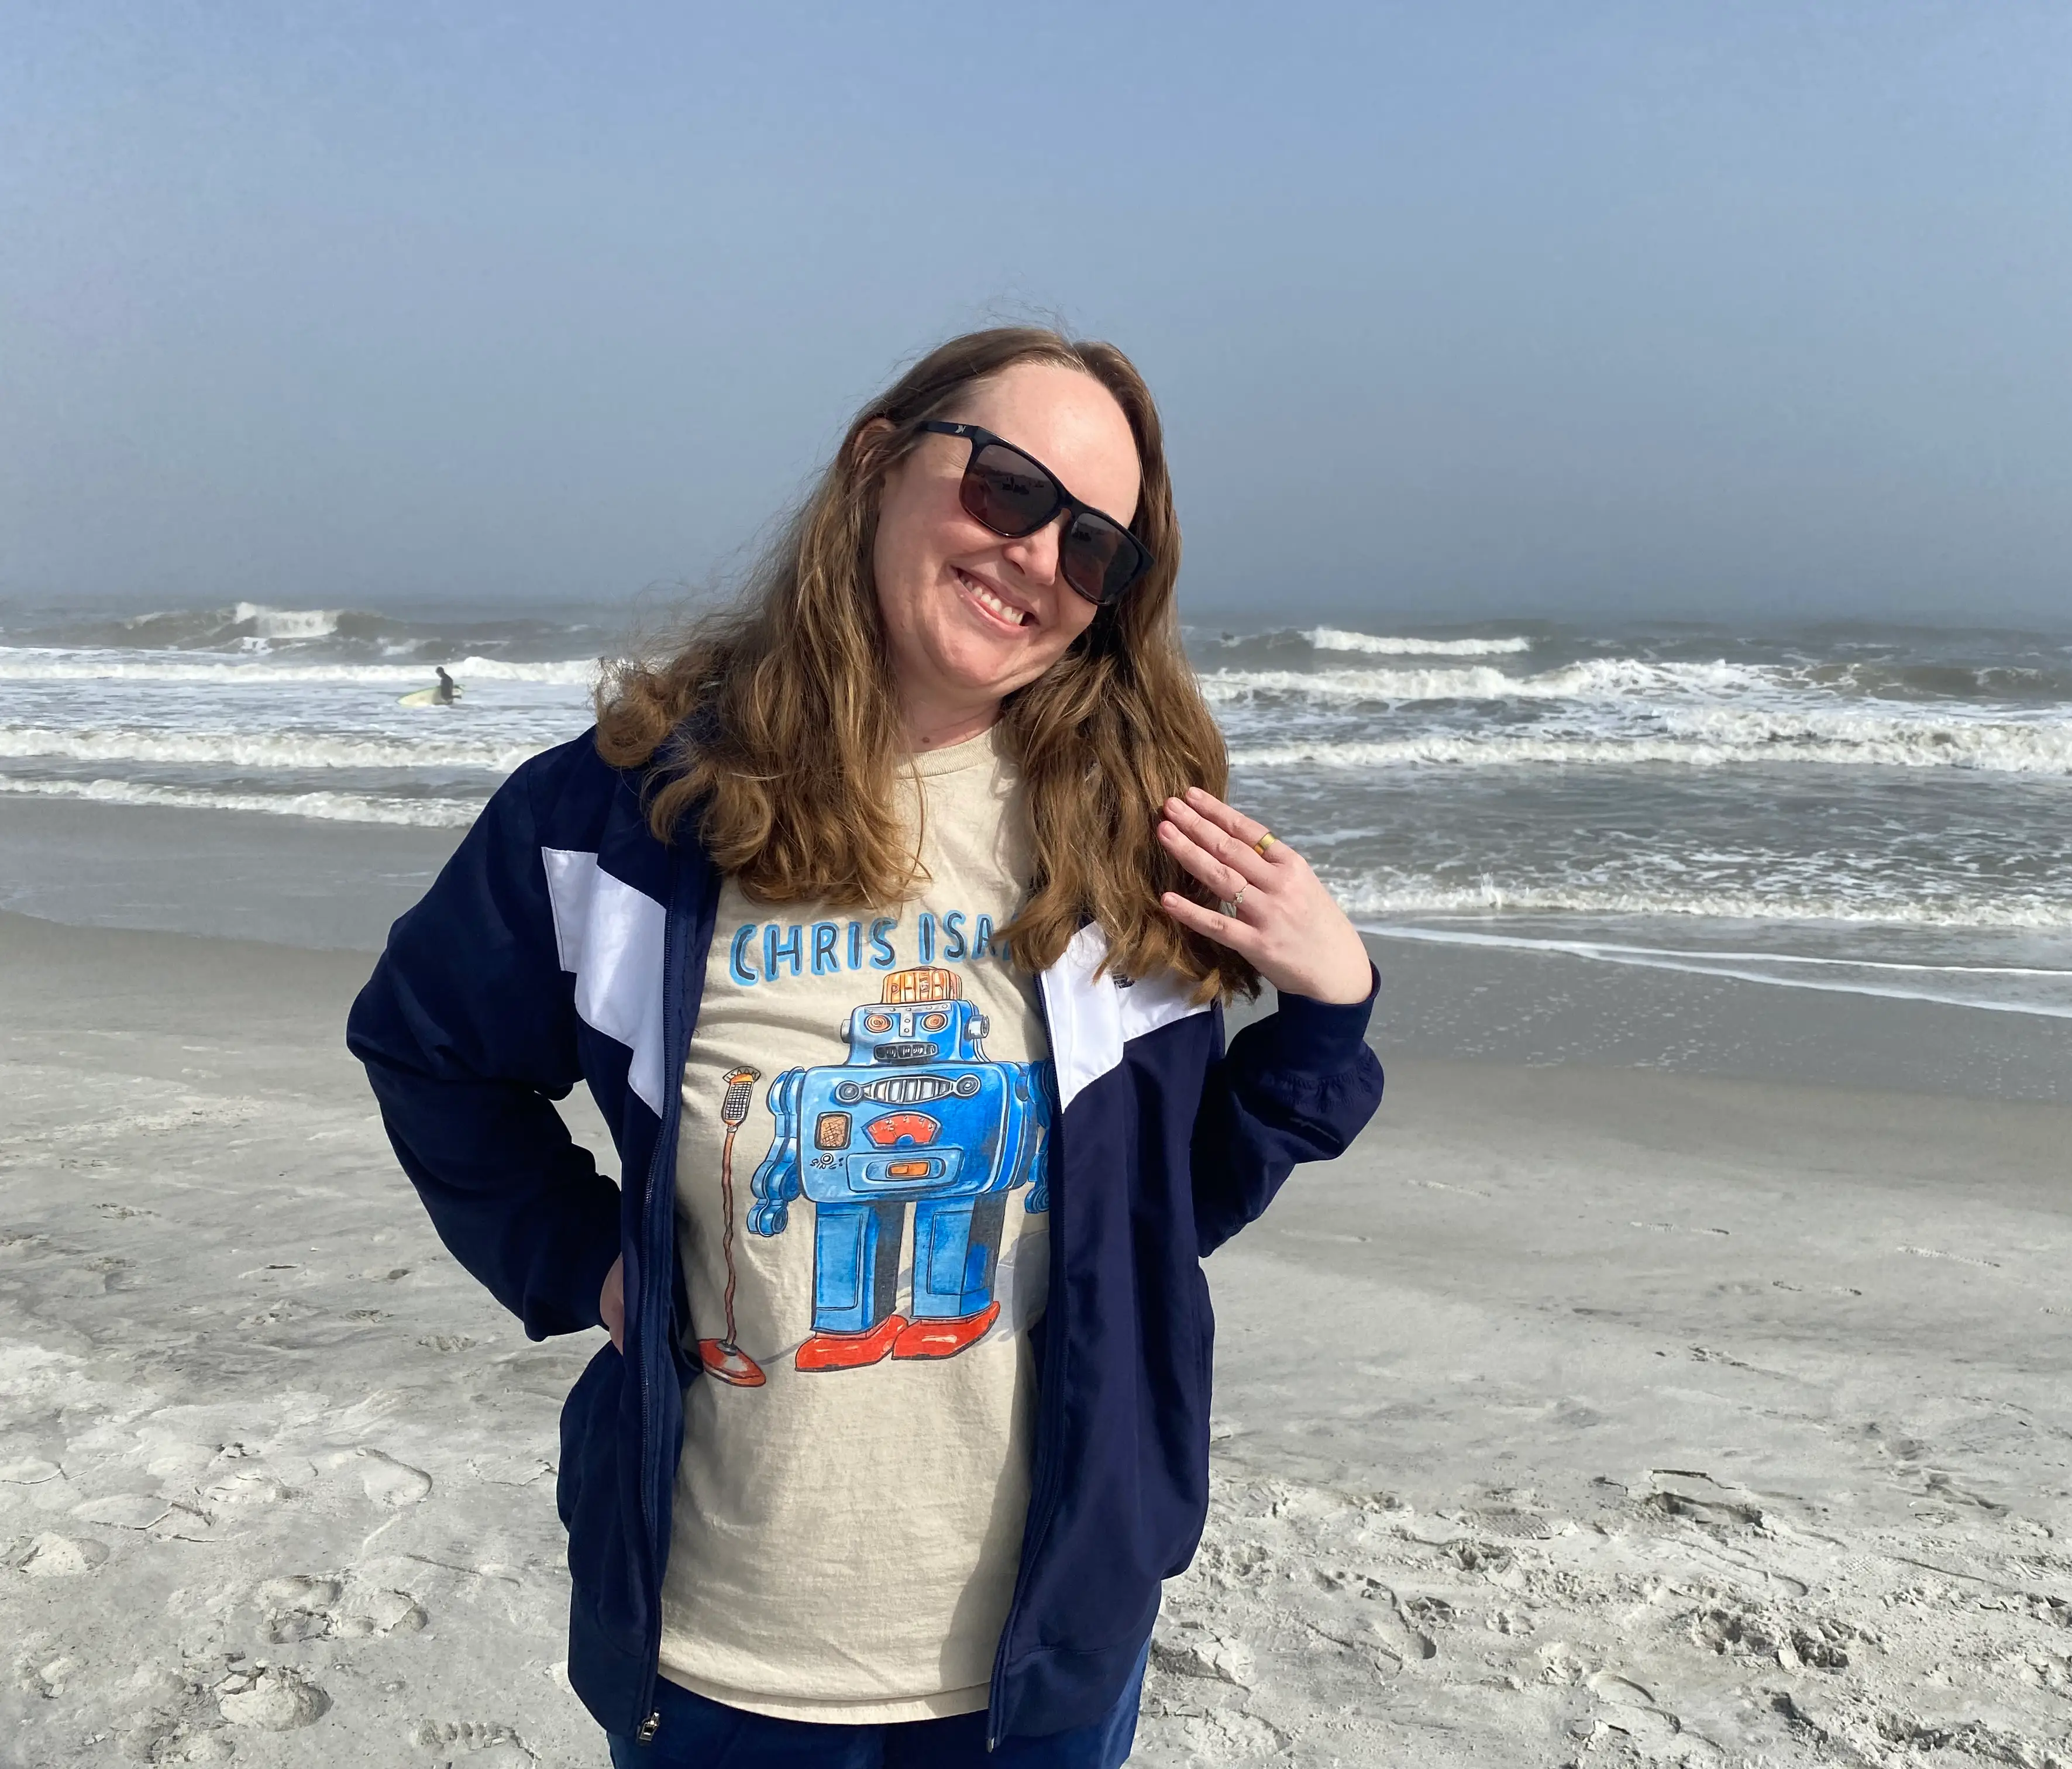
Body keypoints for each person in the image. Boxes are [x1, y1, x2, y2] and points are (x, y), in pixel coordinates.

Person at [347, 328, 1382, 1767]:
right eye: (1010, 488)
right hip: (720, 1650)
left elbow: (1161, 1216)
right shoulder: (621, 819)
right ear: (877, 460)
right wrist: (580, 1257)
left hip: (1043, 1662)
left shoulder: (1126, 845)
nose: (1039, 560)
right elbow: (428, 1049)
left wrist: (1327, 1014)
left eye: (1097, 549)